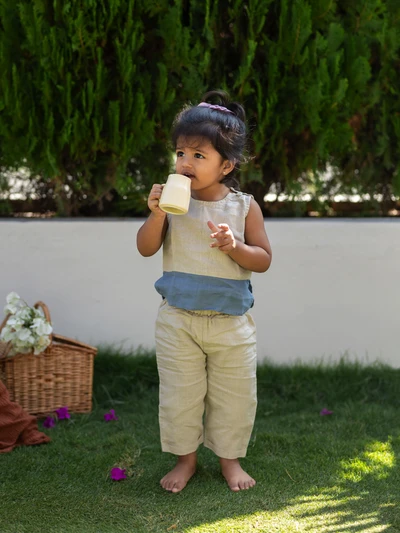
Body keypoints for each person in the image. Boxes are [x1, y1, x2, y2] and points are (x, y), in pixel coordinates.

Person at [137, 90, 272, 493]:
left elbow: (263, 259)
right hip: (178, 320)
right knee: (180, 396)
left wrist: (235, 247)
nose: (185, 163)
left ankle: (230, 461)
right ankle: (186, 460)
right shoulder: (172, 204)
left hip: (230, 323)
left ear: (226, 165)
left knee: (234, 397)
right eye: (181, 153)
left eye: (199, 155)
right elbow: (145, 248)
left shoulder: (244, 207)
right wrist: (156, 214)